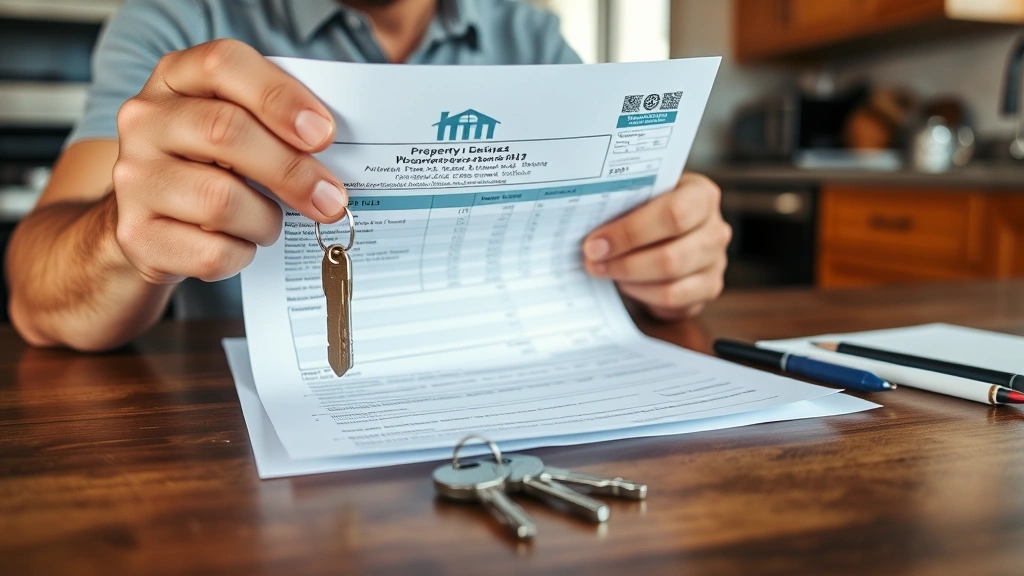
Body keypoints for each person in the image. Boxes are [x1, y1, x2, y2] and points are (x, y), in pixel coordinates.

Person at [5, 0, 731, 351]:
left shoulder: (529, 32)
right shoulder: (178, 19)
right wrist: (122, 241)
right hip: (230, 448)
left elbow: (623, 229)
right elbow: (38, 295)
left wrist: (671, 255)